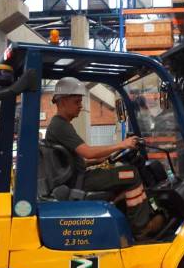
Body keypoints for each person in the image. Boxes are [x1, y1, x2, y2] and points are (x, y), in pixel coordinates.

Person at [44, 77, 164, 238]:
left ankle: (128, 219)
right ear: (63, 101)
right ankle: (141, 227)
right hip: (79, 181)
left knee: (121, 174)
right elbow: (88, 152)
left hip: (76, 176)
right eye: (76, 101)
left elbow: (78, 159)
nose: (80, 106)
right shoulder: (60, 125)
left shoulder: (60, 125)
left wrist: (101, 159)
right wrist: (121, 145)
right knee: (132, 174)